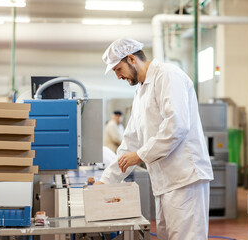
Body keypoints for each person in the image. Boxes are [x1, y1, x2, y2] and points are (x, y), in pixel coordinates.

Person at [96, 38, 214, 240]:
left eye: (118, 69)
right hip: (164, 183)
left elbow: (177, 125)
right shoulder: (141, 90)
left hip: (185, 179)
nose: (118, 76)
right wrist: (106, 181)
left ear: (132, 58)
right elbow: (131, 140)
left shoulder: (168, 75)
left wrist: (140, 156)